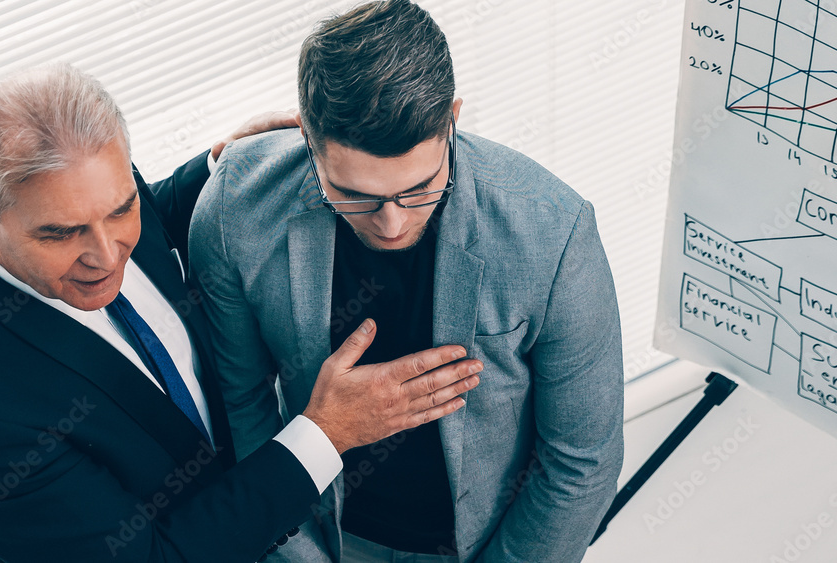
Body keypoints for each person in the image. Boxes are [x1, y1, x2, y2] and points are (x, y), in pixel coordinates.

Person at [0, 62, 482, 562]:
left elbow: (142, 212)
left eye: (121, 210)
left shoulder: (69, 187)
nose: (110, 254)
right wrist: (327, 433)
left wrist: (217, 172)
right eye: (62, 234)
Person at [189, 1, 625, 561]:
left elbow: (582, 460)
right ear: (307, 138)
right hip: (321, 536)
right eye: (354, 194)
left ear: (453, 120)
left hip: (488, 545)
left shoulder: (554, 231)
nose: (391, 223)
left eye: (418, 188)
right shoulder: (234, 207)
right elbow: (240, 407)